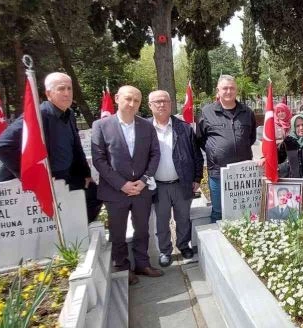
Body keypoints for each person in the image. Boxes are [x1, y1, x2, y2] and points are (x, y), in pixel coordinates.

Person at [0, 72, 102, 223]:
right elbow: (2, 146)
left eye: (69, 89)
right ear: (48, 93)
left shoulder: (69, 114)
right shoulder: (39, 115)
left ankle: (77, 235)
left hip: (64, 175)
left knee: (94, 194)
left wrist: (85, 174)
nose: (67, 93)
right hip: (44, 177)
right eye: (61, 89)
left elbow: (76, 147)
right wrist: (34, 176)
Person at [92, 85, 162, 285]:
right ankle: (123, 267)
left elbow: (155, 154)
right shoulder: (101, 126)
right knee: (118, 232)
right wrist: (121, 184)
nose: (132, 104)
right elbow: (99, 160)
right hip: (115, 192)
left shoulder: (147, 126)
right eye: (128, 99)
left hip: (142, 190)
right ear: (117, 98)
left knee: (142, 229)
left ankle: (142, 263)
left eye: (137, 101)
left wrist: (144, 180)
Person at [147, 90, 204, 267]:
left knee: (183, 218)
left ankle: (184, 245)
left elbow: (197, 156)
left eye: (165, 101)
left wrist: (196, 178)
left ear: (171, 104)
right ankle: (165, 251)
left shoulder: (184, 128)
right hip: (158, 185)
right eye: (157, 102)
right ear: (150, 106)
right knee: (161, 220)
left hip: (182, 183)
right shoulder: (144, 128)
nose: (162, 104)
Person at [197, 75, 257, 223]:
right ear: (218, 90)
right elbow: (200, 138)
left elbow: (251, 138)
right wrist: (215, 151)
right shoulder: (207, 112)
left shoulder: (247, 112)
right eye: (225, 88)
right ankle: (217, 246)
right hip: (218, 172)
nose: (228, 91)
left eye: (232, 88)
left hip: (243, 173)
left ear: (236, 90)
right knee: (218, 212)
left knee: (244, 212)